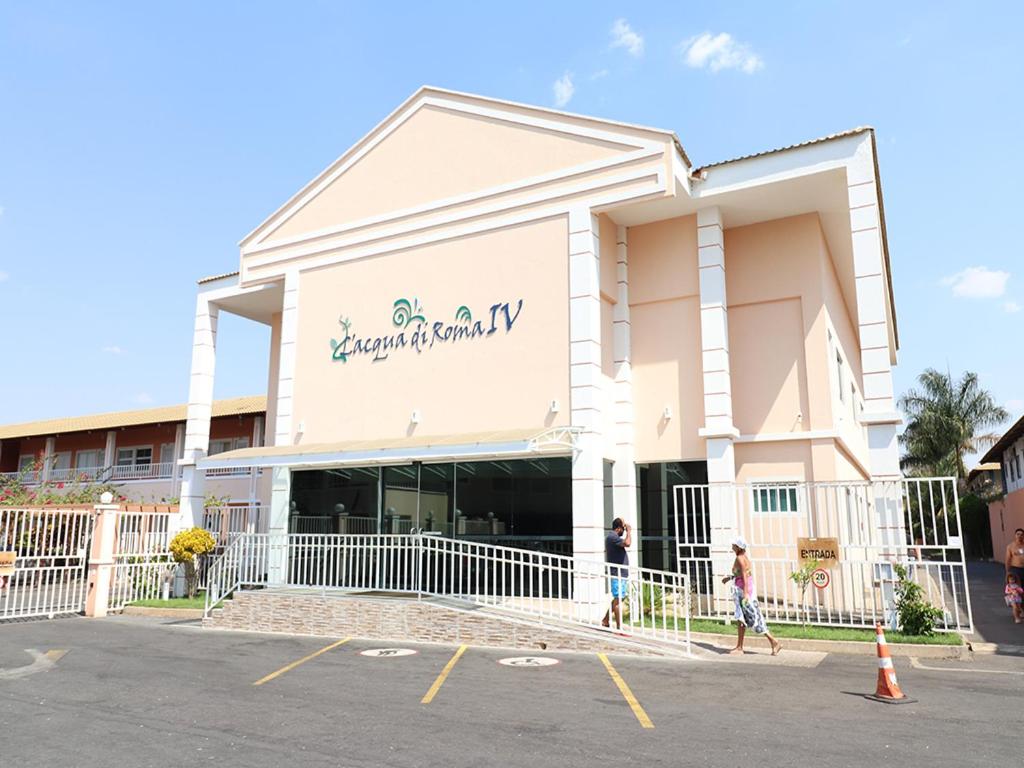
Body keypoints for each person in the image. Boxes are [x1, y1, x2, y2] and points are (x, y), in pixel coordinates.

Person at [721, 537, 782, 656]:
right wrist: (729, 578)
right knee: (743, 618)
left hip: (743, 591)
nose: (732, 547)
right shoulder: (744, 558)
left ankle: (773, 641)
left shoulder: (739, 558)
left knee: (752, 618)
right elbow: (741, 574)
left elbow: (744, 576)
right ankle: (740, 647)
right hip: (746, 590)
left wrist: (745, 595)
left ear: (738, 547)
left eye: (734, 545)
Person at [601, 517, 631, 630]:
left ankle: (605, 619)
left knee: (618, 599)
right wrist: (629, 531)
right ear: (618, 528)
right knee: (618, 599)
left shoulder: (613, 537)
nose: (624, 530)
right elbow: (628, 543)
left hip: (621, 574)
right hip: (617, 573)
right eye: (623, 527)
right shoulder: (612, 537)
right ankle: (619, 626)